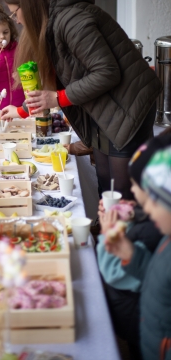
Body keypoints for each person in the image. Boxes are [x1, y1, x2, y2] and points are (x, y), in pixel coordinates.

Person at [0, 0, 162, 199]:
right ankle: (107, 230)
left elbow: (107, 72)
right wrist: (22, 110)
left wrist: (57, 99)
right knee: (106, 182)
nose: (16, 20)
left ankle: (126, 233)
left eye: (15, 12)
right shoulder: (52, 21)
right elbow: (55, 79)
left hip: (128, 105)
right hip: (105, 105)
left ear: (29, 5)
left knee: (124, 193)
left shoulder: (71, 20)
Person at [97, 135, 168, 359]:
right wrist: (131, 256)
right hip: (148, 337)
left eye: (152, 202)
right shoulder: (165, 237)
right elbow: (155, 275)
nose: (148, 210)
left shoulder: (157, 235)